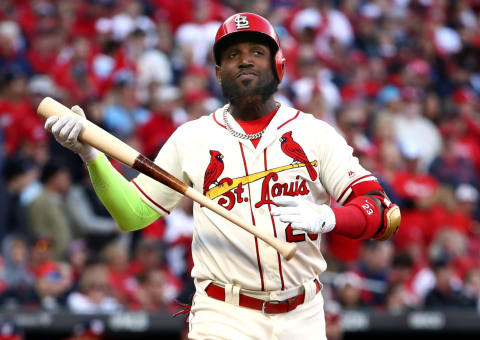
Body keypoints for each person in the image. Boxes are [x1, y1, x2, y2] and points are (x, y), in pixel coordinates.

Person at [44, 13, 401, 340]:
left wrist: (329, 217)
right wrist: (91, 154)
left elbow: (384, 213)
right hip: (224, 314)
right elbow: (133, 214)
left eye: (257, 51)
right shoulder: (192, 137)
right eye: (232, 55)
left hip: (303, 315)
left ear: (279, 65)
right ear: (218, 72)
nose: (244, 59)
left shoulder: (316, 134)